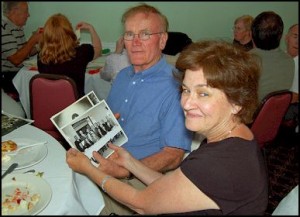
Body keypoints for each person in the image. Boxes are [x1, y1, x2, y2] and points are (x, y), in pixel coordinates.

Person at [66, 40, 268, 215]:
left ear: (237, 102)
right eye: (186, 90)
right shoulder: (236, 138)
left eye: (203, 93)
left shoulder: (218, 165)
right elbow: (171, 188)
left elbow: (140, 203)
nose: (187, 103)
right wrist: (129, 162)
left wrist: (86, 168)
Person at [83, 4, 192, 215]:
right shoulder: (123, 76)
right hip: (105, 161)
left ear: (162, 40)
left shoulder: (177, 86)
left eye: (145, 34)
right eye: (130, 34)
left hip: (139, 179)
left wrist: (124, 170)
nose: (135, 43)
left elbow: (173, 155)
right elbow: (112, 121)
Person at [37, 13, 102, 97]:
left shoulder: (41, 57)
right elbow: (98, 49)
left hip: (51, 105)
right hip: (75, 106)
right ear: (69, 32)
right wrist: (91, 28)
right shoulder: (81, 52)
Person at [250, 11, 294, 101]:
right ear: (281, 36)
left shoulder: (245, 61)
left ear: (251, 34)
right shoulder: (290, 61)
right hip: (277, 114)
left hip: (250, 113)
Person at [2, 1, 42, 95]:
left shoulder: (17, 27)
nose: (28, 15)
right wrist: (33, 40)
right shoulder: (3, 28)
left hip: (18, 73)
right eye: (26, 11)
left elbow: (25, 53)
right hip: (7, 76)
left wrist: (40, 44)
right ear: (14, 11)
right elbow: (16, 59)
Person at [284, 24, 298, 131]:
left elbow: (295, 97)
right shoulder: (280, 58)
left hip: (292, 106)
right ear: (286, 38)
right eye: (295, 36)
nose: (298, 42)